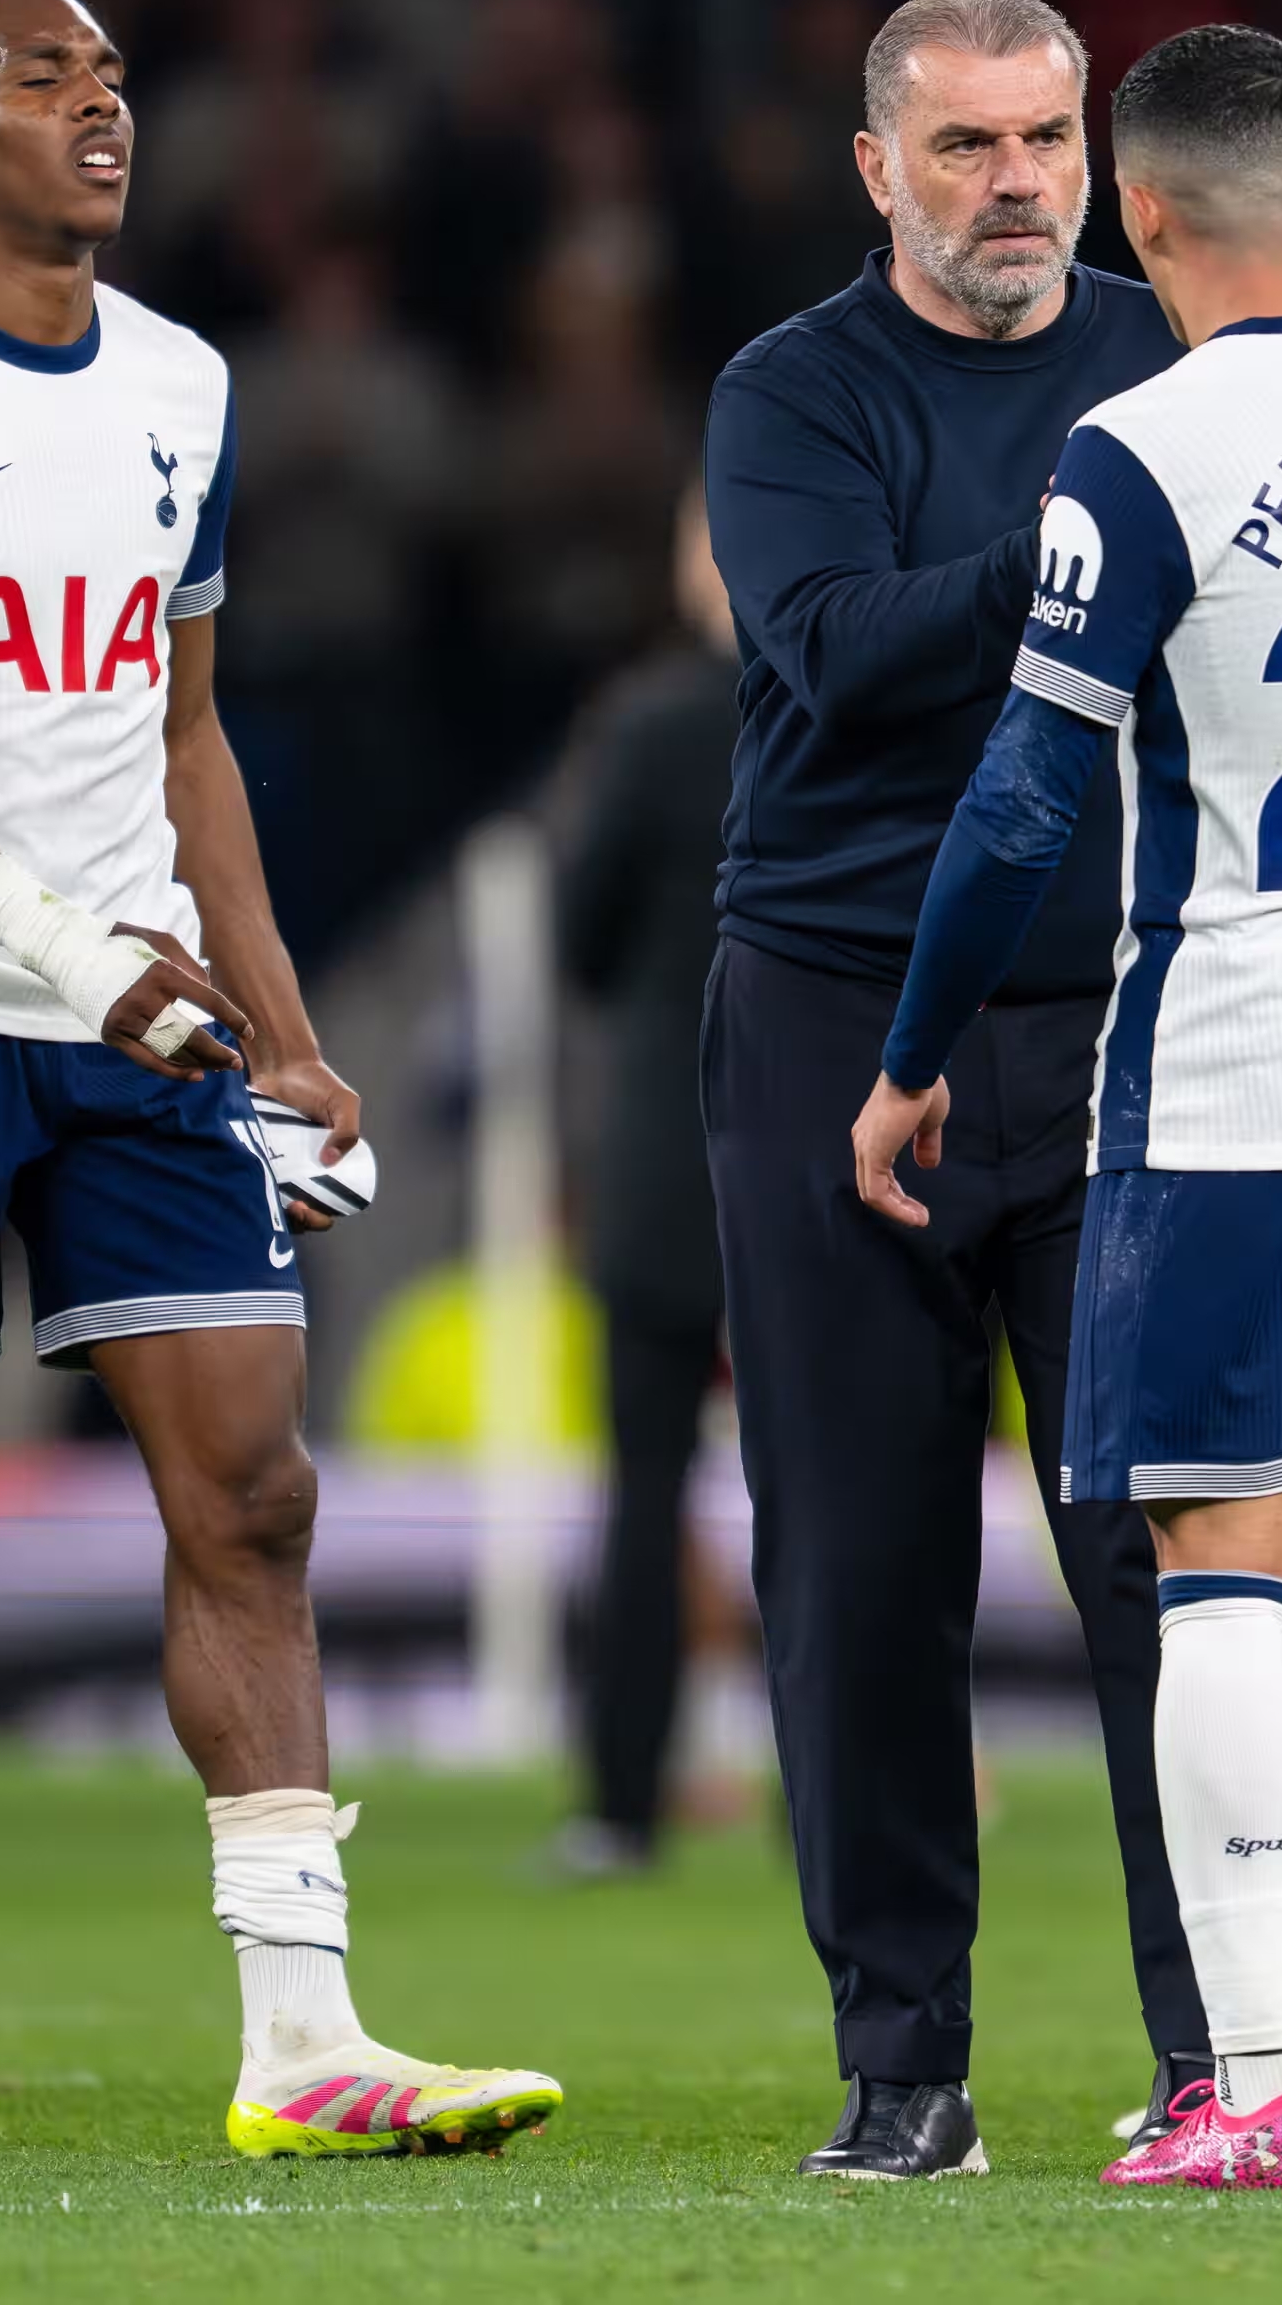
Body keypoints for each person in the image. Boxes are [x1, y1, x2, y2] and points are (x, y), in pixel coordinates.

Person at [700, 0, 1282, 2178]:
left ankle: (1227, 2054)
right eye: (963, 145)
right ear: (876, 164)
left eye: (1044, 143)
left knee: (1172, 1556)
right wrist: (1116, 570)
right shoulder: (798, 393)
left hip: (1136, 1025)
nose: (1011, 185)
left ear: (1114, 166)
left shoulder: (1165, 374)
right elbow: (828, 653)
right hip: (834, 1001)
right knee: (859, 1568)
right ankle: (908, 2067)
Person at [0, 0, 558, 2161]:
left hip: (142, 1030)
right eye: (43, 80)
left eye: (112, 82)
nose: (100, 112)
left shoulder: (186, 383)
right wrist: (54, 942)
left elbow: (182, 734)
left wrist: (275, 1025)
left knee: (254, 1497)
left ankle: (303, 2032)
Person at [550, 482, 738, 1877]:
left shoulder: (656, 726)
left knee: (643, 1492)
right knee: (845, 1500)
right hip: (837, 1156)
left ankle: (623, 1806)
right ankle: (864, 1803)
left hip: (670, 1162)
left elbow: (583, 936)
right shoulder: (870, 717)